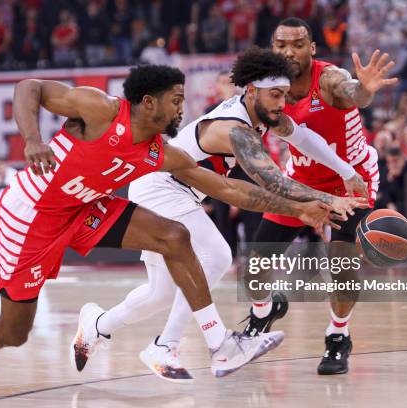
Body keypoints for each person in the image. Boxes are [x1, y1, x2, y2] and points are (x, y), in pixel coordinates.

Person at [0, 64, 340, 396]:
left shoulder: (160, 152)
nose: (183, 109)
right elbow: (30, 87)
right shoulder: (100, 110)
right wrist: (32, 139)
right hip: (31, 216)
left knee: (175, 237)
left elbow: (226, 188)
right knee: (15, 331)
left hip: (83, 208)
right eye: (176, 101)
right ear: (149, 102)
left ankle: (220, 345)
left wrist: (300, 209)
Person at [99, 47, 368, 383]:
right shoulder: (234, 128)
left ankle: (97, 325)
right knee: (217, 255)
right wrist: (328, 198)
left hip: (180, 192)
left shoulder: (266, 114)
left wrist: (345, 172)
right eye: (274, 95)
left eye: (285, 95)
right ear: (251, 91)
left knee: (161, 294)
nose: (281, 103)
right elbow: (274, 180)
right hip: (161, 188)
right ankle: (169, 345)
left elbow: (303, 137)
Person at [244, 17, 398, 376]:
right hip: (299, 181)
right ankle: (264, 312)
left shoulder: (328, 79)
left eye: (297, 44)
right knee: (254, 267)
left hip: (351, 182)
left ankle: (338, 336)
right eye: (281, 44)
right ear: (272, 49)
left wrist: (365, 89)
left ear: (312, 48)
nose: (289, 51)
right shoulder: (267, 86)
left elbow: (351, 91)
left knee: (342, 265)